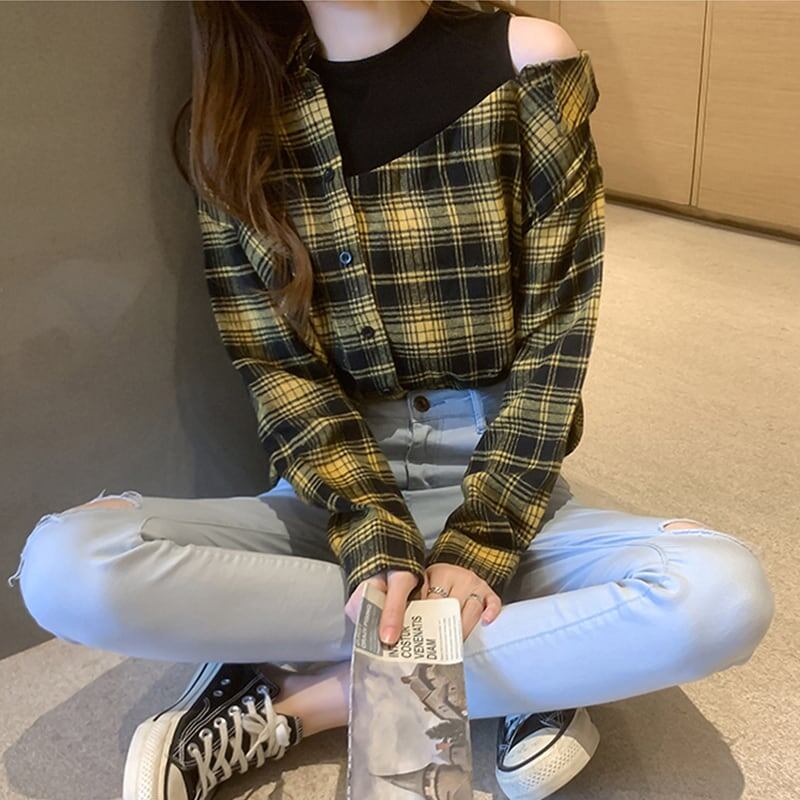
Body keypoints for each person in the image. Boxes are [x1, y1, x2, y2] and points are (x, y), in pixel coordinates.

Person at [7, 2, 775, 800]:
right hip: (334, 496)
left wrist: (485, 538)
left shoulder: (529, 61)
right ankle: (534, 661)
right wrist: (372, 529)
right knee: (67, 570)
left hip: (503, 485)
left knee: (719, 595)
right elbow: (276, 367)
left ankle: (311, 701)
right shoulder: (237, 119)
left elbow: (559, 334)